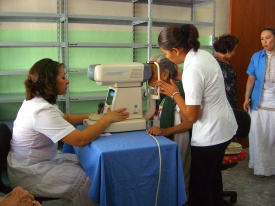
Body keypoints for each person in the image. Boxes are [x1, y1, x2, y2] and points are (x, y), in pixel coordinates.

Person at [7, 58, 129, 206]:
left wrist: (96, 116)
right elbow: (81, 140)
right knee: (87, 181)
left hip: (32, 163)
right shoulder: (41, 111)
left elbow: (66, 118)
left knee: (83, 164)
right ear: (49, 81)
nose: (67, 81)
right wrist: (107, 119)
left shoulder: (37, 102)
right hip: (30, 173)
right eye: (63, 77)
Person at [156, 24, 237, 206]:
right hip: (224, 127)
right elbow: (201, 81)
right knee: (213, 178)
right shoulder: (202, 55)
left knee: (199, 187)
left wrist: (174, 94)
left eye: (166, 53)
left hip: (211, 134)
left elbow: (192, 117)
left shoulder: (193, 70)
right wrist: (181, 78)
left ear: (176, 50)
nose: (167, 57)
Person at [146, 54, 193, 190]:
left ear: (165, 74)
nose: (148, 77)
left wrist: (165, 131)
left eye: (152, 71)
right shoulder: (162, 92)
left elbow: (188, 123)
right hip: (165, 140)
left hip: (178, 140)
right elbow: (156, 112)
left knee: (177, 180)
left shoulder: (177, 91)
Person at [243, 27, 275, 177]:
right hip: (259, 101)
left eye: (267, 38)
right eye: (262, 39)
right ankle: (261, 168)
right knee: (260, 135)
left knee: (273, 136)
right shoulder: (256, 56)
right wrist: (246, 97)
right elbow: (251, 78)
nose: (264, 42)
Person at [213, 34, 239, 109]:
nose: (234, 53)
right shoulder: (214, 63)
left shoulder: (226, 61)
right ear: (227, 50)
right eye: (234, 50)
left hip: (231, 101)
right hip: (221, 104)